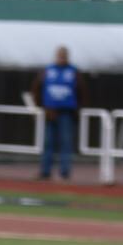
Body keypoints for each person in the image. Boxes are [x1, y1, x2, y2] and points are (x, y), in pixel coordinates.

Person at [33, 46, 86, 181]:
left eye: (64, 55)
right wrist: (41, 106)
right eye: (59, 55)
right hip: (50, 112)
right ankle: (45, 171)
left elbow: (82, 92)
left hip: (66, 112)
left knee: (66, 143)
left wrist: (77, 109)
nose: (61, 58)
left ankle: (65, 172)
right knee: (48, 143)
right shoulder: (47, 71)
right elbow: (36, 88)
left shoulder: (73, 72)